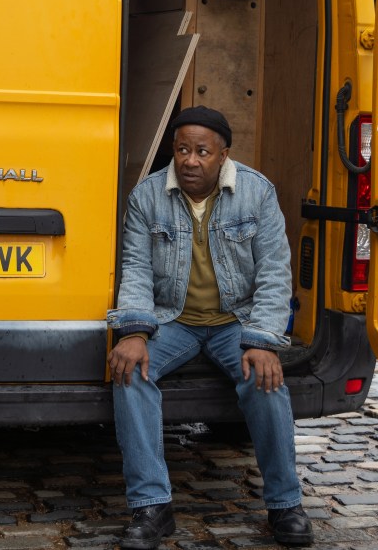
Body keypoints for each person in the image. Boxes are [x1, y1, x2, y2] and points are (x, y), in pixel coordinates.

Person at [106, 106, 313, 549]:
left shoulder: (257, 194)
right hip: (172, 320)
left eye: (202, 151)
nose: (190, 160)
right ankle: (152, 508)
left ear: (223, 156)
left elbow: (275, 273)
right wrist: (135, 333)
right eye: (182, 149)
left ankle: (285, 504)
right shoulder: (147, 197)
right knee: (129, 373)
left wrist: (261, 341)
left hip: (233, 322)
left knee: (265, 379)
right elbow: (136, 271)